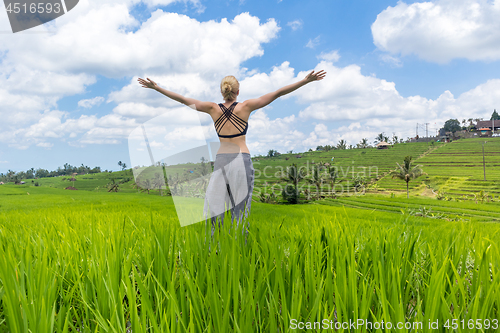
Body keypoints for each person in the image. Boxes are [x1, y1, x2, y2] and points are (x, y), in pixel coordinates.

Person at [137, 69, 327, 238]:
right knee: (240, 208)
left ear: (222, 91)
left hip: (221, 161)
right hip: (241, 160)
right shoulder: (246, 107)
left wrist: (157, 88)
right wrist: (305, 81)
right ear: (237, 91)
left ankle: (214, 247)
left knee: (216, 206)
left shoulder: (212, 108)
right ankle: (238, 248)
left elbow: (183, 99)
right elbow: (277, 93)